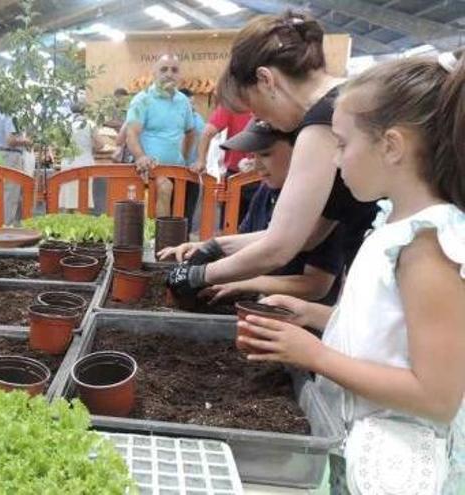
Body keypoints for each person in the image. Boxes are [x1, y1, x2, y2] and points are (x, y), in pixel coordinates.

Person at [237, 55, 465, 494]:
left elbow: (437, 397)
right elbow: (391, 334)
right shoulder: (396, 226)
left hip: (401, 470)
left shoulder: (429, 246)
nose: (336, 160)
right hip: (366, 451)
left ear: (392, 146)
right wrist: (312, 316)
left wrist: (314, 355)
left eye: (342, 143)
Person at [166, 12, 378, 298]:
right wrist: (217, 247)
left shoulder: (320, 124)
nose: (257, 117)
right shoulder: (345, 100)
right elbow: (309, 235)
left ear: (266, 80)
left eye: (253, 105)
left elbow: (279, 248)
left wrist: (198, 275)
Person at [162, 118, 345, 306]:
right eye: (253, 156)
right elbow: (246, 243)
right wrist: (204, 249)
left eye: (265, 154)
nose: (257, 166)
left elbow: (316, 286)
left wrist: (245, 284)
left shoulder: (325, 202)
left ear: (301, 149)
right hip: (260, 307)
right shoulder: (266, 191)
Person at [126, 54, 197, 218]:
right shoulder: (142, 100)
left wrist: (185, 158)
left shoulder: (183, 101)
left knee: (195, 189)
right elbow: (131, 133)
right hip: (149, 169)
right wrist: (141, 157)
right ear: (154, 73)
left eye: (174, 70)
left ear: (180, 75)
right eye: (164, 69)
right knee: (165, 187)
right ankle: (161, 239)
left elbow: (191, 131)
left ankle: (181, 238)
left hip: (177, 169)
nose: (169, 74)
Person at [0, 109, 31, 225]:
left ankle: (8, 225)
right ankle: (7, 228)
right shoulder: (11, 114)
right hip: (11, 156)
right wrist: (27, 141)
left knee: (6, 194)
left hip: (1, 155)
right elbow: (11, 140)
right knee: (11, 196)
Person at [191, 103, 251, 175]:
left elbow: (207, 133)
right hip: (238, 171)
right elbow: (207, 133)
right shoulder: (232, 103)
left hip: (254, 170)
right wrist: (201, 160)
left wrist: (201, 160)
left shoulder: (232, 102)